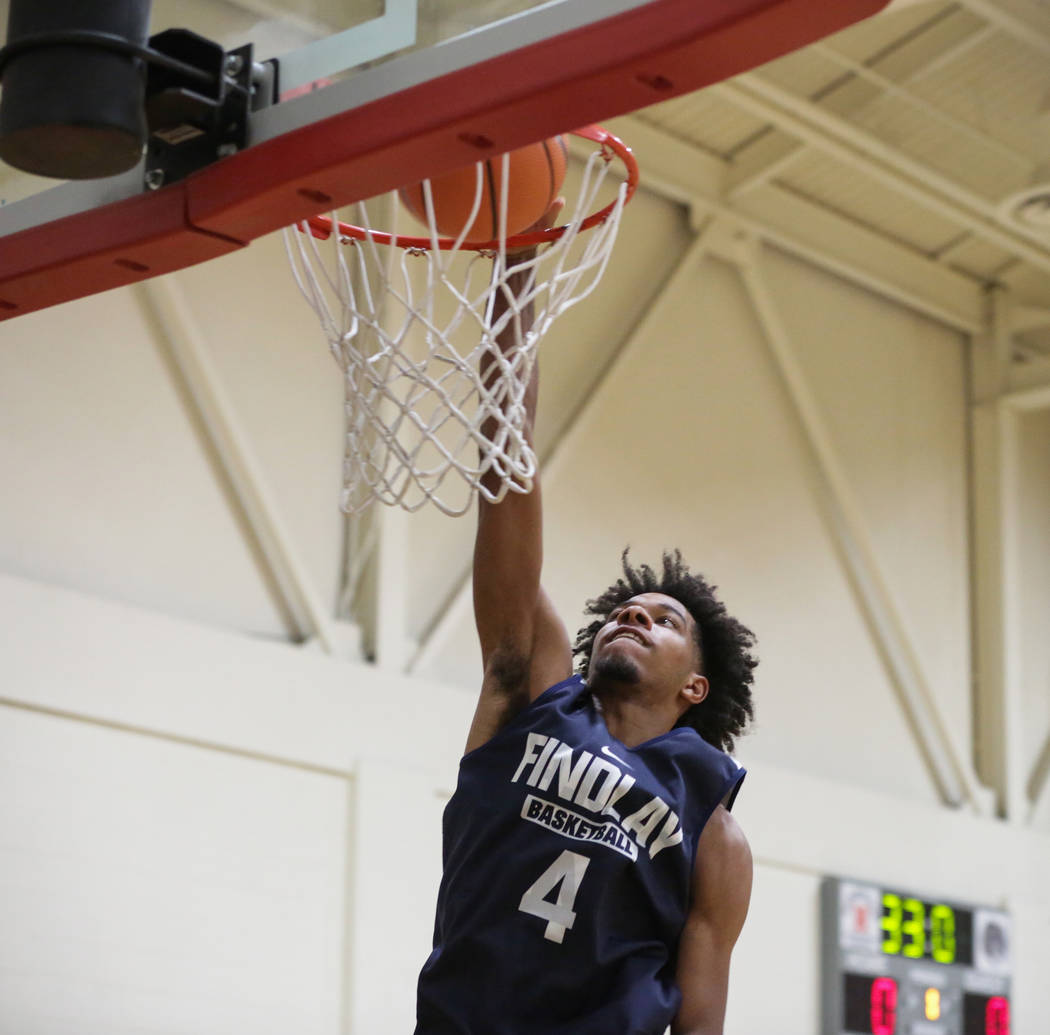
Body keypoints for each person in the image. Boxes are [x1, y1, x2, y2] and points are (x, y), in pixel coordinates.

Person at [414, 242, 758, 1035]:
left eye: (664, 620)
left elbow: (699, 1022)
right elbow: (507, 462)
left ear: (695, 686)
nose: (633, 617)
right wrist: (516, 267)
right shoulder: (531, 692)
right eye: (624, 611)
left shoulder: (715, 831)